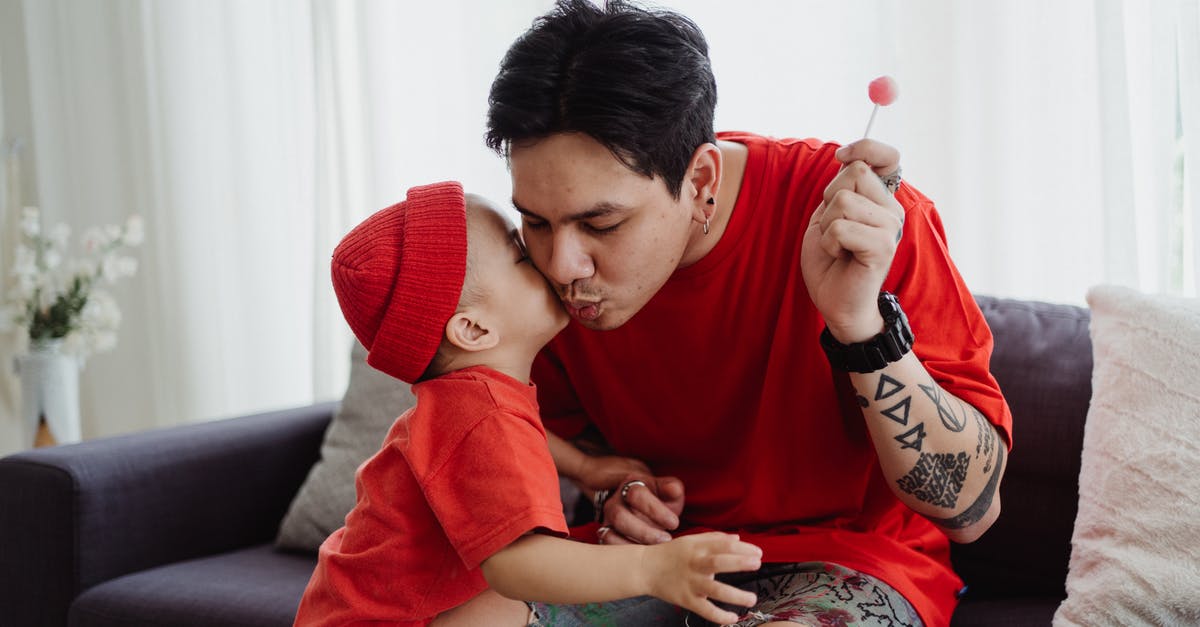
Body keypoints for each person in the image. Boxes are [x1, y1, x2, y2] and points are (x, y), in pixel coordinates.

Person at [485, 2, 1013, 626]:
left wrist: (859, 324)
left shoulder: (859, 223)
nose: (563, 264)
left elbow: (969, 510)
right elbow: (554, 443)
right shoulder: (536, 271)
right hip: (653, 565)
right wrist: (613, 491)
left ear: (701, 177)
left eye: (602, 223)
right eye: (536, 220)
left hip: (849, 565)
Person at [293, 181, 765, 627]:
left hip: (345, 611)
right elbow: (515, 564)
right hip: (390, 620)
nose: (551, 262)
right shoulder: (482, 414)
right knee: (529, 599)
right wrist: (650, 567)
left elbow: (504, 449)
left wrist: (582, 466)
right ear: (474, 329)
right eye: (521, 255)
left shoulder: (464, 402)